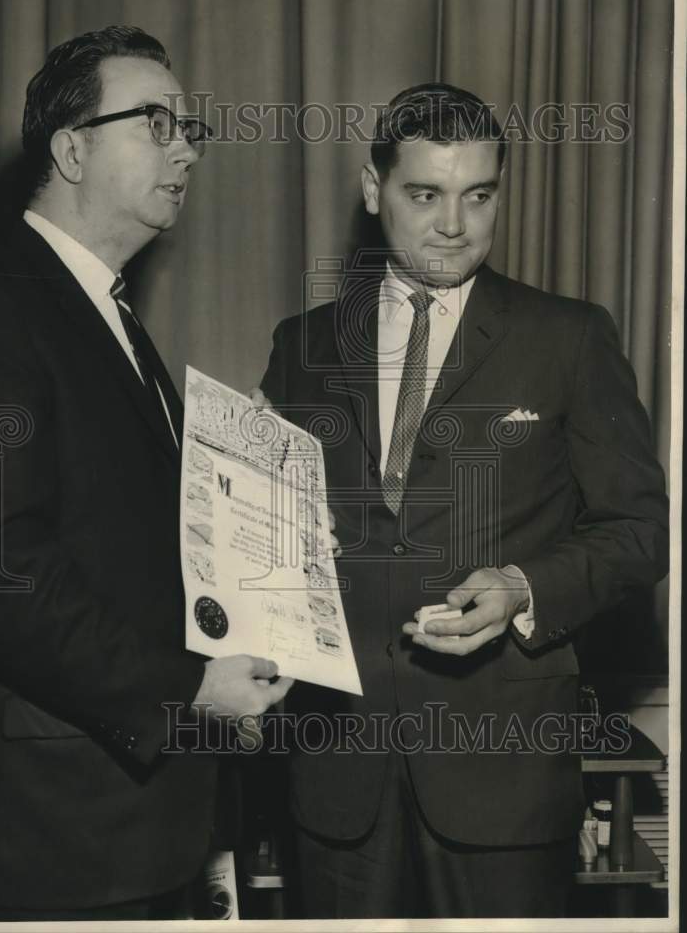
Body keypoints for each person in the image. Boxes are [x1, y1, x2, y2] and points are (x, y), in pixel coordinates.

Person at [259, 82, 668, 918]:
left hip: (505, 770)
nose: (453, 223)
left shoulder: (568, 337)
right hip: (338, 764)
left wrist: (523, 587)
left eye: (477, 194)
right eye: (424, 194)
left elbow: (638, 531)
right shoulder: (300, 347)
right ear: (373, 192)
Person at [0, 25, 292, 921]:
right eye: (155, 123)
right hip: (52, 833)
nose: (186, 151)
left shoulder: (104, 315)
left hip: (130, 817)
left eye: (190, 129)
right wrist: (191, 686)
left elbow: (119, 541)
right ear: (72, 148)